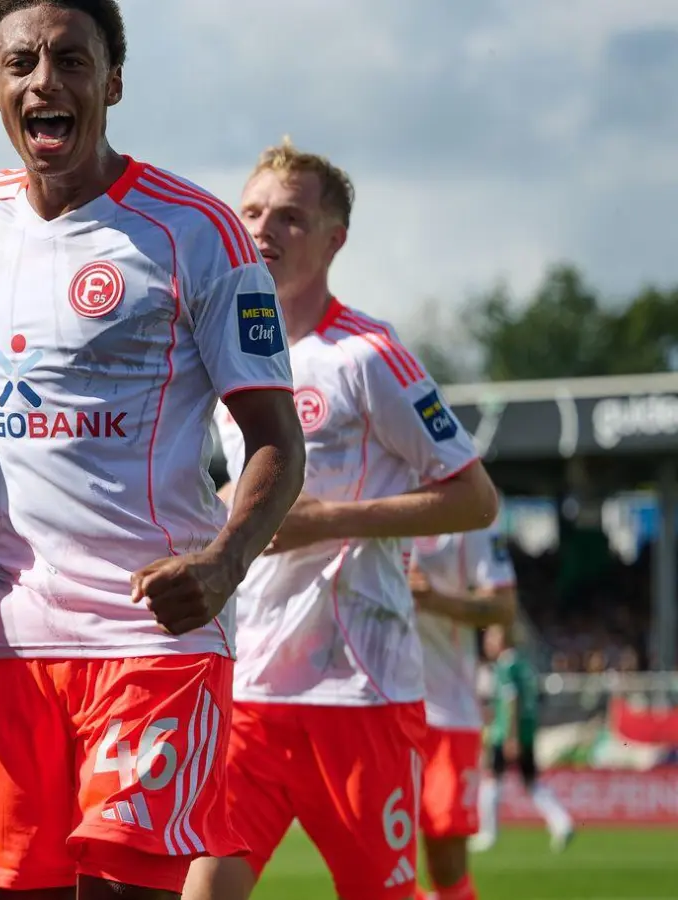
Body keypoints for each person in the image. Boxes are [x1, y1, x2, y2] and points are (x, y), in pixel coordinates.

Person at [0, 2, 309, 897]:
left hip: (153, 639)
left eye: (71, 60)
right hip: (4, 647)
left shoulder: (197, 232)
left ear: (114, 82)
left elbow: (277, 444)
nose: (44, 82)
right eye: (21, 64)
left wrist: (224, 563)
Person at [189, 141, 500, 900]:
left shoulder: (369, 354)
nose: (265, 228)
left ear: (335, 239)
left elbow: (474, 496)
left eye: (291, 217)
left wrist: (330, 519)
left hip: (359, 694)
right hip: (253, 688)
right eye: (254, 210)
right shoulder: (227, 353)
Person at [407, 525, 519, 900]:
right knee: (373, 863)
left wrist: (432, 598)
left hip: (446, 715)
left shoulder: (475, 513)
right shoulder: (373, 485)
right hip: (375, 709)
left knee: (447, 868)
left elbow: (504, 606)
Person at [471, 622, 576, 854]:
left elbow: (511, 700)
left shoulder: (506, 666)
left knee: (491, 777)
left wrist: (510, 736)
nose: (487, 643)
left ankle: (488, 834)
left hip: (508, 732)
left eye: (491, 638)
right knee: (531, 782)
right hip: (526, 730)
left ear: (503, 641)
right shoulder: (523, 663)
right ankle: (562, 822)